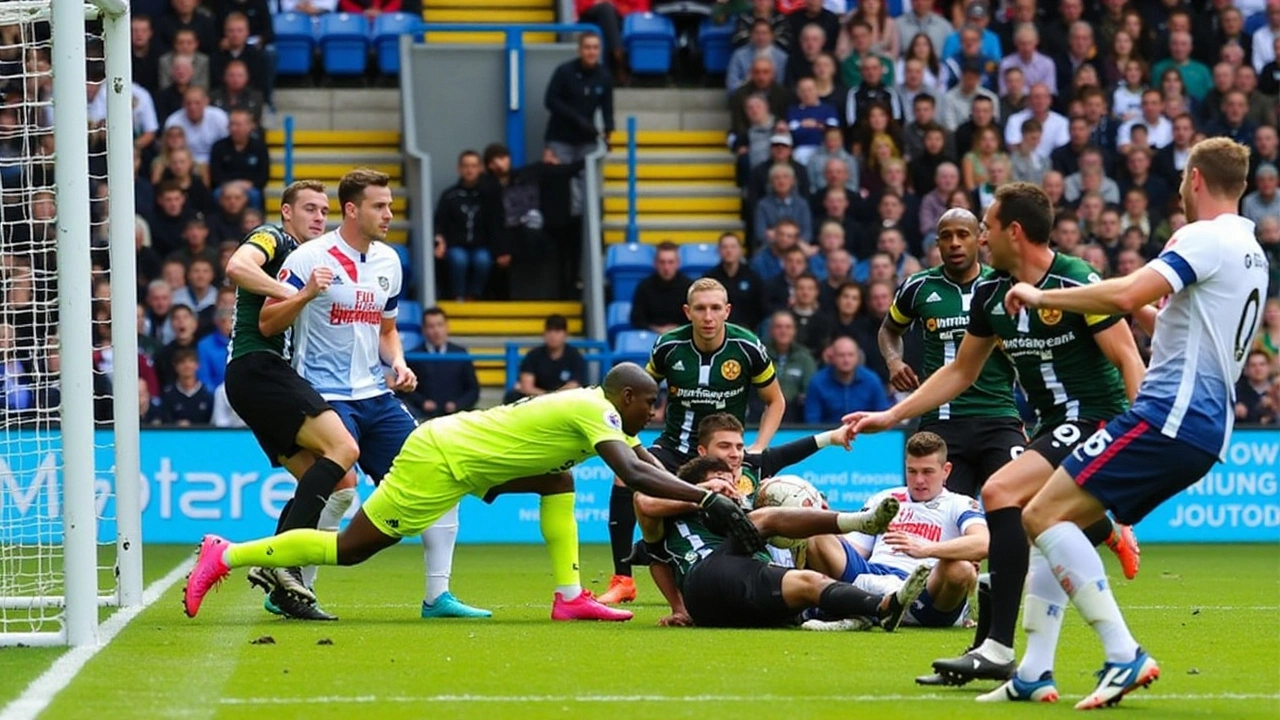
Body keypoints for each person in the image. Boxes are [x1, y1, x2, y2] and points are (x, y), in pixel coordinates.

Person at [991, 137, 1266, 708]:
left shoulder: (1203, 236)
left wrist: (1042, 295)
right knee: (1052, 519)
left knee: (1039, 512)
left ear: (1194, 179)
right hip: (1205, 426)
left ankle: (1123, 653)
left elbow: (1129, 290)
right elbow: (1168, 316)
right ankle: (1034, 672)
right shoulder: (1250, 248)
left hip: (1171, 415)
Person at [847, 182, 1148, 687]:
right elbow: (960, 372)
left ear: (1014, 231)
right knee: (1037, 525)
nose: (981, 238)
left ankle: (998, 648)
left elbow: (1127, 357)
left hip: (1096, 417)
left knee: (999, 493)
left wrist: (1138, 434)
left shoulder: (1075, 280)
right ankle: (1037, 664)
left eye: (986, 227)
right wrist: (890, 415)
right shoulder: (991, 294)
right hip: (1050, 426)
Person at [183, 364, 768, 622]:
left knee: (559, 479)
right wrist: (708, 501)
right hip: (442, 460)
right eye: (650, 404)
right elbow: (638, 477)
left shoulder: (598, 409)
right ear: (627, 398)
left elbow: (646, 463)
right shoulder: (596, 409)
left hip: (465, 457)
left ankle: (568, 597)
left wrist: (704, 482)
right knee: (349, 549)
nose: (654, 412)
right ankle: (226, 554)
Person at [254, 169, 487, 622]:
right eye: (380, 206)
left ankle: (437, 597)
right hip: (322, 397)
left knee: (441, 476)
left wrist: (397, 362)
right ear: (352, 209)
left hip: (375, 396)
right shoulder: (309, 257)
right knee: (340, 492)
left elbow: (387, 330)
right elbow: (268, 322)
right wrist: (305, 294)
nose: (389, 214)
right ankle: (294, 587)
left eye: (390, 205)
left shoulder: (389, 261)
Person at [600, 278, 786, 605]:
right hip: (673, 447)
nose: (708, 316)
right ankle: (623, 580)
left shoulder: (748, 347)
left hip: (720, 455)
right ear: (688, 312)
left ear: (727, 311)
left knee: (736, 508)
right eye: (700, 308)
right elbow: (640, 392)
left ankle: (745, 569)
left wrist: (756, 448)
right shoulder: (668, 346)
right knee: (623, 476)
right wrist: (628, 435)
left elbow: (776, 401)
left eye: (716, 308)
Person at [635, 455, 923, 630]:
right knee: (766, 519)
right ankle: (860, 521)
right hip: (705, 577)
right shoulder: (673, 516)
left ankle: (882, 608)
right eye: (718, 480)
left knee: (810, 583)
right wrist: (704, 493)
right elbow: (642, 501)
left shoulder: (741, 511)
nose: (727, 486)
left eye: (728, 480)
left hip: (736, 596)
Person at [879, 208, 1024, 499]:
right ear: (937, 244)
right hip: (941, 421)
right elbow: (888, 330)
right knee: (941, 516)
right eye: (946, 237)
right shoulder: (918, 287)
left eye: (963, 235)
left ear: (980, 240)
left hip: (998, 416)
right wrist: (894, 362)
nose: (955, 243)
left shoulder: (1005, 285)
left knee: (1020, 503)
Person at [802, 431, 988, 631]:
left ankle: (860, 610)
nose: (918, 480)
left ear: (946, 471)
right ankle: (871, 607)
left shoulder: (960, 503)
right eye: (912, 471)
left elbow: (983, 543)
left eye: (927, 472)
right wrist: (825, 520)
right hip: (873, 574)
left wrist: (927, 549)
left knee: (961, 569)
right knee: (814, 532)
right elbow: (856, 549)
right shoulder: (885, 497)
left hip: (924, 589)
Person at [544, 33, 613, 218]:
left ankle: (586, 227)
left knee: (587, 184)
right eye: (587, 47)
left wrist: (608, 131)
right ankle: (562, 227)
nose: (591, 52)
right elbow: (550, 101)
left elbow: (607, 108)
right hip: (560, 138)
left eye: (595, 48)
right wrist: (577, 119)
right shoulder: (564, 71)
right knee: (560, 185)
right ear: (579, 50)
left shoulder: (604, 76)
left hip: (587, 140)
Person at [434, 150, 506, 301]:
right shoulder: (450, 195)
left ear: (480, 168)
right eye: (465, 166)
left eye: (474, 166)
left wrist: (501, 250)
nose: (469, 170)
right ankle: (457, 296)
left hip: (481, 245)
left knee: (483, 260)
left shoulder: (488, 195)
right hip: (456, 245)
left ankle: (474, 297)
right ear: (459, 168)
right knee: (459, 260)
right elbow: (439, 221)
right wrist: (439, 241)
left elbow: (497, 222)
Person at [402, 307, 479, 421]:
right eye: (431, 326)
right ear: (423, 330)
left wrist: (457, 405)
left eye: (440, 325)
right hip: (423, 417)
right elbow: (405, 390)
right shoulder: (412, 356)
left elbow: (473, 390)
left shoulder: (461, 354)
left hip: (455, 418)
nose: (436, 330)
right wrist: (423, 403)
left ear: (447, 327)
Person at [804, 336, 888, 423]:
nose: (846, 360)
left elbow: (883, 416)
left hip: (865, 433)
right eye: (841, 355)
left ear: (858, 357)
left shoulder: (872, 381)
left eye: (850, 355)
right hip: (829, 434)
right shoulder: (817, 382)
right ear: (832, 357)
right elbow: (812, 421)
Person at [507, 314, 587, 401]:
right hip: (537, 400)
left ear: (565, 334)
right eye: (549, 330)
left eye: (557, 331)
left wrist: (555, 397)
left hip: (565, 401)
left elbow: (574, 385)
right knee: (513, 396)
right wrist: (548, 397)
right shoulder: (533, 355)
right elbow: (527, 387)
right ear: (544, 334)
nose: (553, 335)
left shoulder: (574, 356)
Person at [704, 232, 767, 331]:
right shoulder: (710, 278)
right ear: (718, 251)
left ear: (740, 250)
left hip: (746, 330)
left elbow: (760, 308)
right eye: (725, 247)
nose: (729, 251)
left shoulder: (753, 277)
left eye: (733, 247)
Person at [629, 242, 693, 333]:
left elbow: (695, 318)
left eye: (670, 262)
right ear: (655, 263)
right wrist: (657, 329)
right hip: (650, 337)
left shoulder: (689, 287)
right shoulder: (644, 286)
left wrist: (677, 329)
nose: (666, 267)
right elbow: (636, 319)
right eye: (662, 262)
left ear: (678, 263)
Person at [764, 310, 816, 422]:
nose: (783, 331)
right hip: (763, 411)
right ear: (771, 330)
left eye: (788, 327)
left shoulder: (804, 358)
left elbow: (810, 390)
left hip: (795, 416)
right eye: (779, 327)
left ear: (794, 331)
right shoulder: (760, 354)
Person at [160, 347, 213, 425]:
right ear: (175, 367)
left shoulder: (207, 394)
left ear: (197, 365)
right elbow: (165, 421)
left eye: (191, 361)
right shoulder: (169, 395)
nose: (187, 366)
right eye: (182, 362)